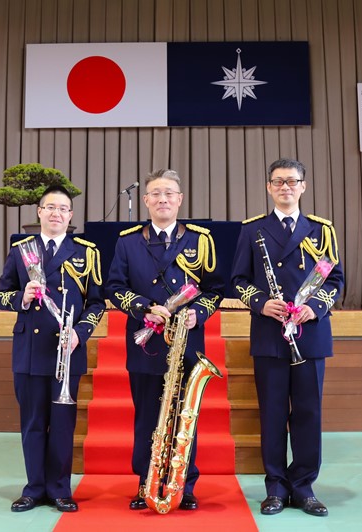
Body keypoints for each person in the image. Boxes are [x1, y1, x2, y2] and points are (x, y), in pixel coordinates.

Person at [231, 158, 344, 517]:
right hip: (270, 334)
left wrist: (317, 308)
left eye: (292, 182)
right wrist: (262, 304)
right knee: (274, 413)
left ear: (303, 186)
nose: (285, 188)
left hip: (309, 334)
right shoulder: (253, 230)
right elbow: (237, 280)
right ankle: (276, 487)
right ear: (268, 187)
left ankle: (305, 486)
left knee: (309, 413)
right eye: (278, 182)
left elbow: (337, 279)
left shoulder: (320, 229)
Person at [106, 169, 225, 511]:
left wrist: (197, 314)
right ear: (145, 200)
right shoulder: (128, 241)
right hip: (146, 341)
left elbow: (215, 290)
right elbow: (114, 288)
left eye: (169, 193)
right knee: (146, 416)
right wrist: (143, 309)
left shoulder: (201, 239)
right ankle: (146, 481)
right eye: (156, 193)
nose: (162, 199)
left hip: (187, 341)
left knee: (185, 415)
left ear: (180, 199)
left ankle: (183, 485)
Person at [0, 185, 105, 513]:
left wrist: (80, 334)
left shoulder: (86, 252)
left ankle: (59, 489)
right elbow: (1, 296)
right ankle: (33, 488)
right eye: (50, 207)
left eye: (63, 209)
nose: (56, 213)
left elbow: (97, 304)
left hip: (66, 353)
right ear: (39, 212)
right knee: (32, 423)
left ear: (71, 216)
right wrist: (21, 298)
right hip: (30, 350)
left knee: (61, 424)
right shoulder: (22, 250)